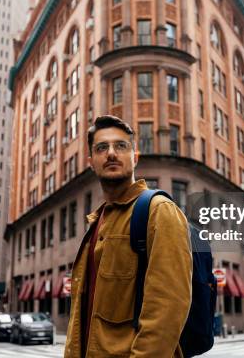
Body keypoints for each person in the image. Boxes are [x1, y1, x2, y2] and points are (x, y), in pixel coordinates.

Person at [64, 115, 193, 358]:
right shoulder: (97, 222)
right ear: (91, 162)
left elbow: (167, 312)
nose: (111, 153)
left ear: (135, 157)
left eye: (121, 146)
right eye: (102, 147)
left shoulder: (159, 211)